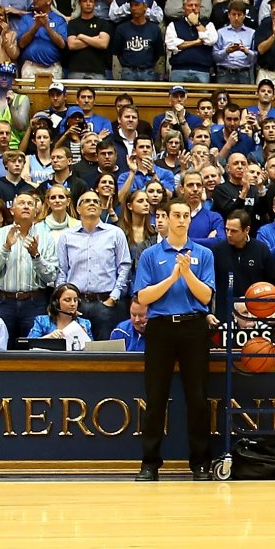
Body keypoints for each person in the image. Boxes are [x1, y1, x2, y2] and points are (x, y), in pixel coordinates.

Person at [133, 195, 214, 482]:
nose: (181, 220)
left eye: (185, 215)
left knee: (198, 398)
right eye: (175, 215)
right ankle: (150, 463)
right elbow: (143, 297)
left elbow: (205, 296)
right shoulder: (150, 255)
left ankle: (201, 463)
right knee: (155, 398)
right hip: (160, 328)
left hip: (193, 328)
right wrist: (171, 277)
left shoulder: (203, 254)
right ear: (164, 219)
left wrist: (187, 273)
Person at [0, 191, 59, 343]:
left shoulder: (47, 238)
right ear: (12, 210)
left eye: (30, 204)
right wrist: (5, 248)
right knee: (1, 348)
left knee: (34, 349)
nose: (26, 206)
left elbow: (52, 277)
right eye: (21, 203)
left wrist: (36, 256)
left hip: (34, 302)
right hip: (2, 301)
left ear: (36, 211)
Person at [58, 188, 133, 339]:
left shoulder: (115, 233)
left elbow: (124, 267)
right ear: (78, 208)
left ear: (101, 208)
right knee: (74, 352)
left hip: (106, 302)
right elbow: (61, 271)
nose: (92, 203)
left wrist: (114, 297)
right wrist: (64, 301)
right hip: (76, 305)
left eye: (96, 201)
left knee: (105, 354)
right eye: (86, 201)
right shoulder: (66, 236)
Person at [27, 283, 91, 350]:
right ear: (56, 303)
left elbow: (92, 351)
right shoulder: (42, 321)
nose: (73, 304)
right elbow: (29, 344)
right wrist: (50, 337)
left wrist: (85, 338)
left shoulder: (85, 323)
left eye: (75, 300)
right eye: (67, 300)